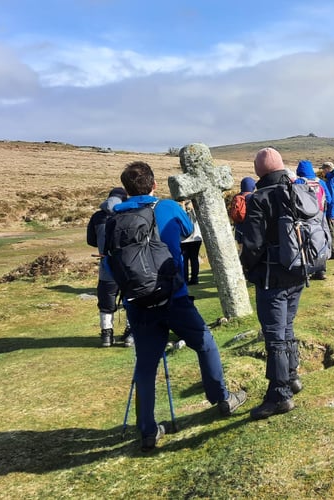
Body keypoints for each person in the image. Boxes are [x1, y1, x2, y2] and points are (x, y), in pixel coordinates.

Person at [111, 161, 247, 451]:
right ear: (154, 184)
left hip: (137, 303)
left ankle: (147, 430)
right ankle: (222, 399)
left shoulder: (114, 219)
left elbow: (111, 263)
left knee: (146, 365)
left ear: (125, 189)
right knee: (205, 343)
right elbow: (186, 230)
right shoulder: (168, 208)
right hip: (174, 296)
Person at [240, 147, 305, 420]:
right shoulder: (298, 191)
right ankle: (291, 377)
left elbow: (253, 244)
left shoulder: (259, 198)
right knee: (286, 328)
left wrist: (246, 268)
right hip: (299, 272)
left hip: (272, 277)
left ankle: (279, 395)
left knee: (275, 337)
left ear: (259, 171)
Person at [86, 187, 133, 348]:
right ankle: (130, 333)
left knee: (106, 300)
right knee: (131, 298)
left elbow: (91, 240)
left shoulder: (98, 216)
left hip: (106, 264)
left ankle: (107, 334)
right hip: (128, 264)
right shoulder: (128, 214)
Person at [295, 160, 330, 280]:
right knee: (321, 240)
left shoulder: (298, 182)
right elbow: (328, 199)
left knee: (305, 243)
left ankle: (307, 270)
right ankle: (321, 270)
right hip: (320, 217)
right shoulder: (320, 182)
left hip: (304, 217)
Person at [320, 161, 334, 259]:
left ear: (328, 169)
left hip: (332, 211)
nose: (322, 171)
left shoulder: (332, 180)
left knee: (331, 231)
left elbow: (332, 199)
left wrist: (330, 213)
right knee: (333, 231)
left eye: (323, 169)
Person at [180, 200, 203, 285]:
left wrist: (182, 206)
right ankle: (194, 278)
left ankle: (186, 279)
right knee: (194, 259)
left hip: (184, 240)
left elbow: (183, 219)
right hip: (195, 238)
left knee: (185, 260)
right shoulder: (195, 212)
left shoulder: (183, 213)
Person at [232, 176, 256, 248]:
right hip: (250, 230)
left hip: (239, 229)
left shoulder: (236, 197)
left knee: (241, 251)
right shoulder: (253, 197)